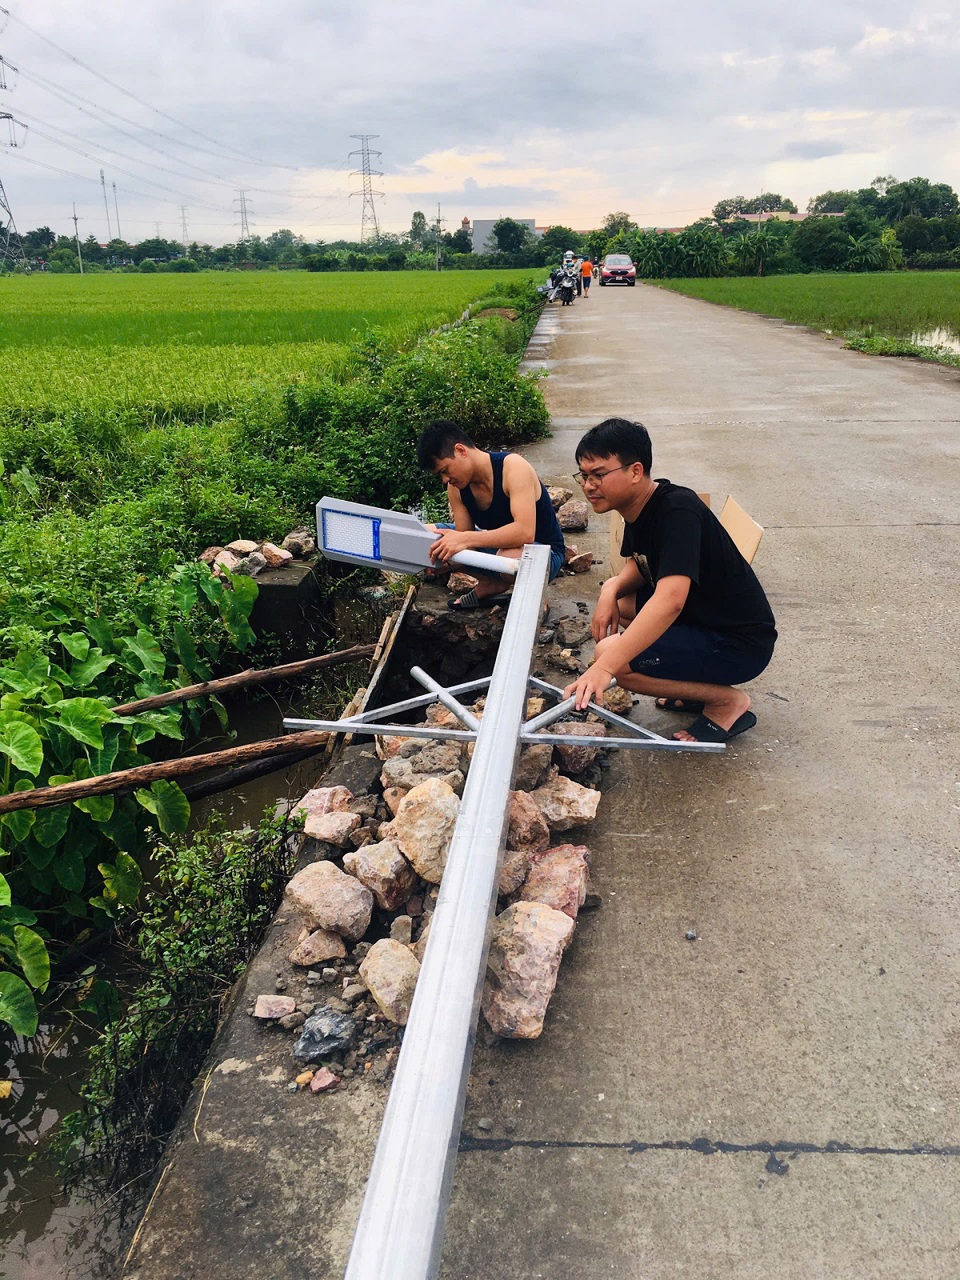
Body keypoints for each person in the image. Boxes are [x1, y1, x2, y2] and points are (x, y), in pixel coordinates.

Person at [563, 418, 777, 743]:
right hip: (705, 620)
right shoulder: (638, 506)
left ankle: (727, 702)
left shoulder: (678, 510)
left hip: (739, 645)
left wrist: (604, 669)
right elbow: (642, 563)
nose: (589, 485)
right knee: (620, 604)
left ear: (635, 471)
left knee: (613, 656)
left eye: (599, 475)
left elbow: (671, 600)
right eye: (584, 476)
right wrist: (611, 587)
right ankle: (695, 687)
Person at [417, 420, 566, 610]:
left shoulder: (513, 467)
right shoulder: (456, 489)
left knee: (509, 558)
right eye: (440, 475)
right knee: (428, 535)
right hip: (499, 548)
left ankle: (534, 592)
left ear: (461, 450)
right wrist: (448, 560)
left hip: (544, 553)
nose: (445, 479)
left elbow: (525, 532)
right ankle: (491, 583)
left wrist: (464, 539)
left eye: (445, 470)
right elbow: (465, 543)